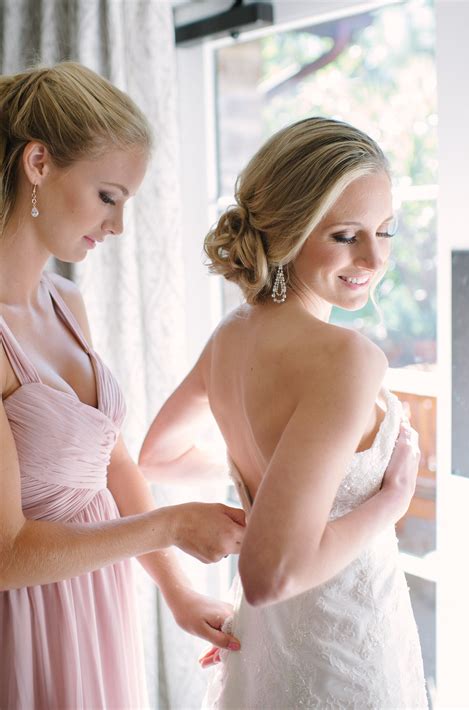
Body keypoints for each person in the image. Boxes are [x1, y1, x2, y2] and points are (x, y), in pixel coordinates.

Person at [139, 117, 428, 708]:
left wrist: (278, 495)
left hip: (268, 648)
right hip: (345, 655)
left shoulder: (232, 335)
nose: (375, 257)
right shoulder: (346, 359)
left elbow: (159, 456)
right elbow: (269, 576)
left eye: (386, 230)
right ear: (290, 233)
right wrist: (390, 503)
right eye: (347, 235)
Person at [0, 62, 246, 710]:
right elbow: (8, 553)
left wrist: (177, 591)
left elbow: (110, 458)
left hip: (94, 601)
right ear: (39, 164)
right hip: (20, 620)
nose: (118, 226)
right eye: (109, 196)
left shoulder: (66, 304)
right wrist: (168, 524)